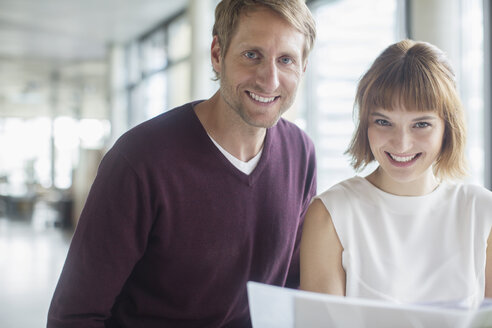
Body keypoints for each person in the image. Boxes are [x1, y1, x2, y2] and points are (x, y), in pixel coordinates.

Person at [47, 1, 317, 327]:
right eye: (252, 55)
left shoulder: (300, 153)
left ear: (302, 68)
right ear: (217, 53)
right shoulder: (140, 159)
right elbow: (75, 317)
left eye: (286, 60)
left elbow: (291, 289)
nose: (269, 80)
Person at [299, 39, 492, 308]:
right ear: (365, 123)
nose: (401, 144)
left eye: (421, 124)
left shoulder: (482, 212)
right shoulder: (332, 213)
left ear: (448, 127)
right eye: (383, 122)